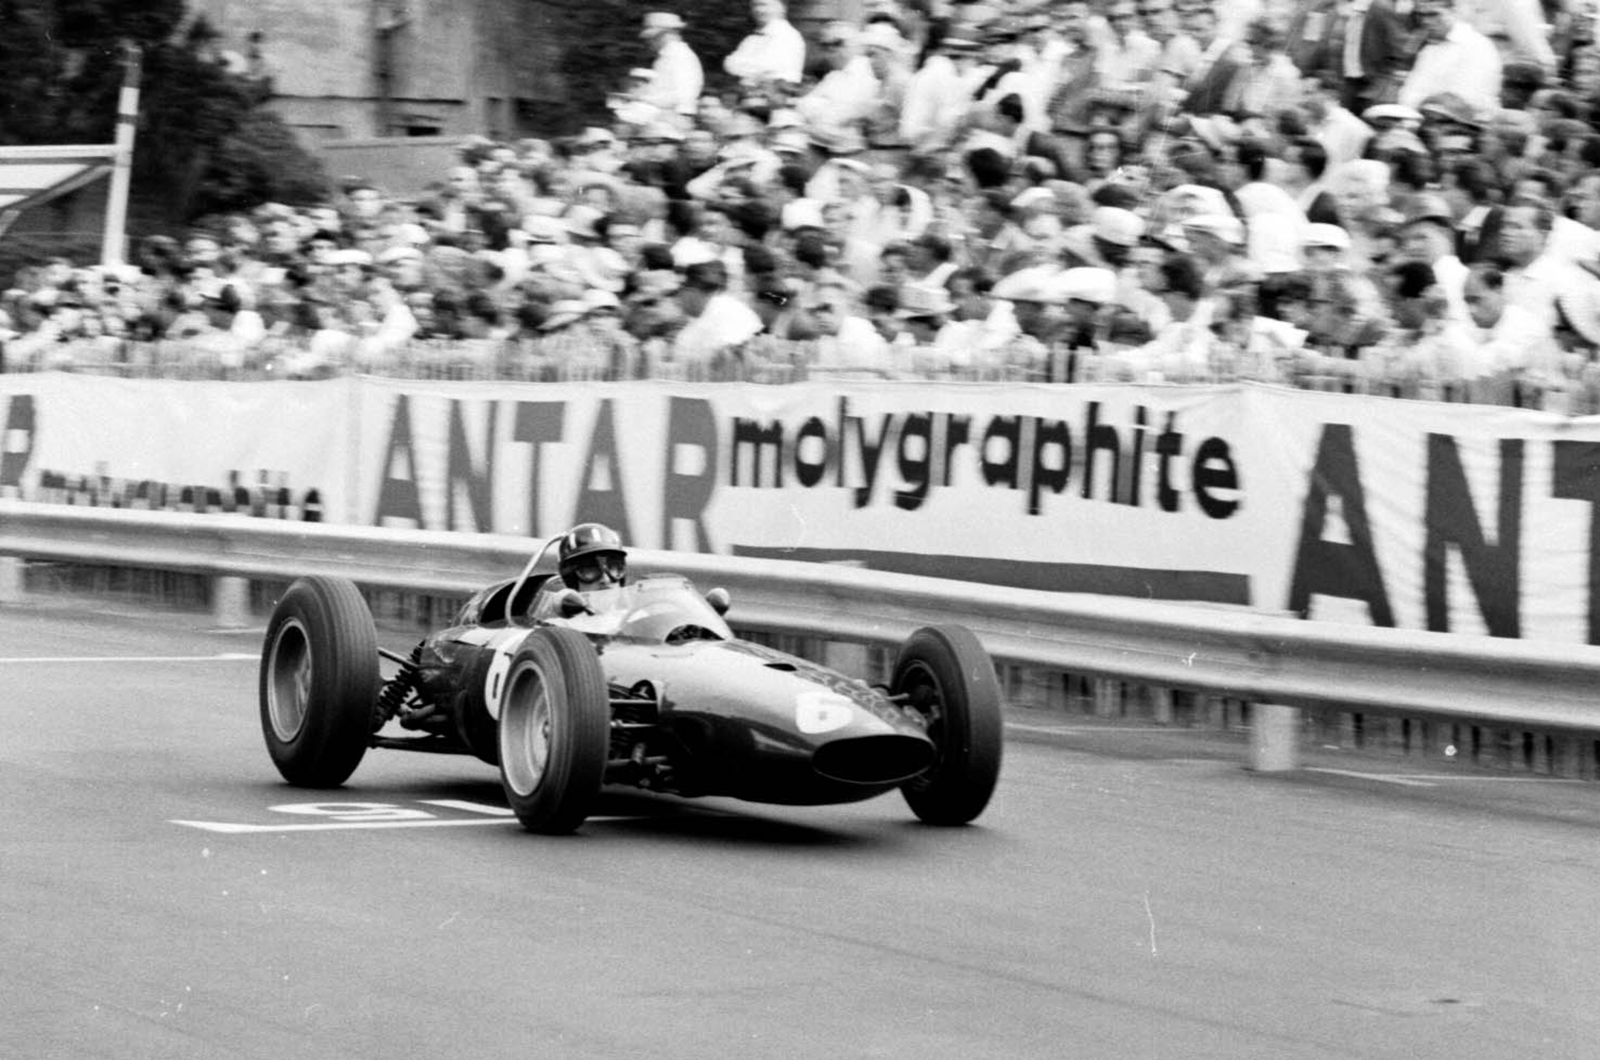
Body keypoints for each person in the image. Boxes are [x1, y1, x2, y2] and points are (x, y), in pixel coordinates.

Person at [557, 523, 628, 592]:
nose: (606, 580)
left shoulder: (634, 602)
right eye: (590, 570)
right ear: (571, 580)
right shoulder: (555, 602)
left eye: (614, 568)